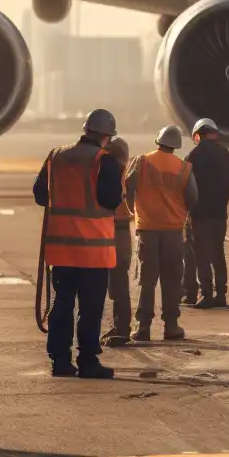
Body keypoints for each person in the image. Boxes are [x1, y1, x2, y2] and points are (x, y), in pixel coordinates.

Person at [33, 109, 122, 379]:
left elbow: (40, 194)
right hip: (93, 253)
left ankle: (60, 361)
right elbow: (110, 200)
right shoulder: (103, 161)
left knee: (62, 305)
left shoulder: (56, 155)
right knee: (90, 309)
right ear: (106, 136)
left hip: (61, 250)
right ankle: (87, 361)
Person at [125, 125, 198, 341]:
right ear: (176, 145)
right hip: (173, 232)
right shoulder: (184, 168)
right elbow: (193, 198)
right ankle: (171, 326)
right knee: (172, 280)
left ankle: (143, 328)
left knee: (147, 281)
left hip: (148, 230)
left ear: (158, 141)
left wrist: (133, 209)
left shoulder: (142, 162)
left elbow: (128, 188)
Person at [185, 117, 229, 308]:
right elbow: (227, 183)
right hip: (220, 212)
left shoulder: (193, 155)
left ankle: (207, 294)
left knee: (202, 256)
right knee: (218, 253)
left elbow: (187, 185)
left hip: (200, 214)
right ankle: (221, 294)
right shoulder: (224, 153)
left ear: (198, 135)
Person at [101, 136, 134, 347]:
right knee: (119, 281)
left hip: (110, 230)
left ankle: (121, 327)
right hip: (122, 231)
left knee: (113, 284)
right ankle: (121, 326)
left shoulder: (106, 173)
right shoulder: (130, 174)